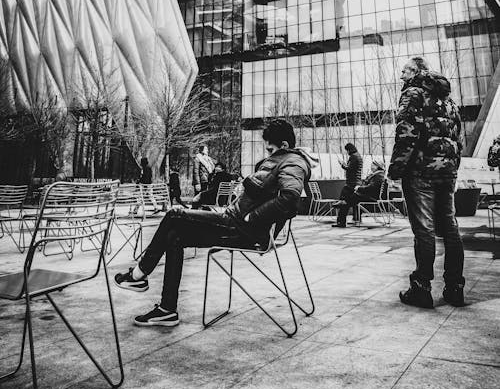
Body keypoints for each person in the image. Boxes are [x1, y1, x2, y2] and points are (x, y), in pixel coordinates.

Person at [114, 119, 316, 327]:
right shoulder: (286, 160)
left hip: (242, 227)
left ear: (283, 145)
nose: (267, 152)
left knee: (174, 215)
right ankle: (167, 310)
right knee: (174, 236)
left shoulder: (293, 162)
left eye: (270, 148)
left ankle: (139, 274)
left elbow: (290, 198)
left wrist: (252, 217)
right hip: (236, 223)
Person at [389, 56, 464, 309]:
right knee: (450, 228)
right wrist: (453, 168)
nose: (401, 76)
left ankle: (421, 288)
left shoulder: (413, 94)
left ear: (418, 71)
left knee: (424, 230)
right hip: (447, 172)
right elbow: (458, 139)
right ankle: (455, 288)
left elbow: (406, 133)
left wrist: (396, 170)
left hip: (421, 172)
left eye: (405, 71)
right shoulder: (449, 100)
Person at [334, 157, 385, 228]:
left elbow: (371, 188)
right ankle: (343, 207)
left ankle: (341, 218)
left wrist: (359, 188)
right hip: (369, 196)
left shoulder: (378, 175)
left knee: (347, 201)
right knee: (349, 198)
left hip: (371, 197)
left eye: (373, 165)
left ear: (378, 166)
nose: (371, 166)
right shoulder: (377, 175)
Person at [335, 143, 363, 225]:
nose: (347, 152)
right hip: (357, 182)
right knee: (354, 201)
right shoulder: (358, 156)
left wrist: (342, 164)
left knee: (343, 200)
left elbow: (350, 169)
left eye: (347, 150)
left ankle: (341, 221)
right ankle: (356, 218)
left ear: (349, 149)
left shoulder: (353, 156)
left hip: (351, 183)